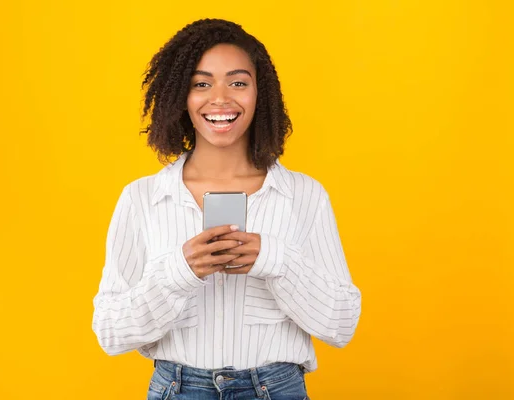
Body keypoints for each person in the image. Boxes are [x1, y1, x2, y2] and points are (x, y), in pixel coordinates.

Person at [92, 18, 362, 400]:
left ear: (259, 93)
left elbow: (340, 323)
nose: (220, 98)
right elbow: (111, 332)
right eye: (201, 83)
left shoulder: (304, 195)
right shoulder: (141, 199)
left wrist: (274, 259)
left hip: (277, 388)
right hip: (178, 388)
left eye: (238, 82)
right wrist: (180, 271)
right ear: (180, 97)